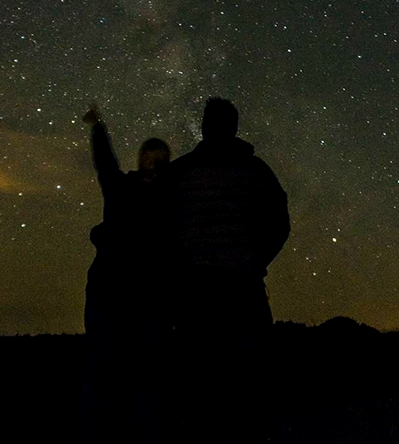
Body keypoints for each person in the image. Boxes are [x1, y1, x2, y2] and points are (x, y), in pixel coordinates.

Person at [169, 97, 289, 442]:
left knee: (199, 375)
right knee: (250, 375)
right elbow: (279, 223)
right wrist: (255, 259)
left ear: (205, 126)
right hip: (242, 284)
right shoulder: (257, 170)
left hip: (198, 287)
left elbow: (162, 224)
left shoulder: (181, 171)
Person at [79, 104, 172, 442]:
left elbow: (105, 164)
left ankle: (96, 433)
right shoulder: (169, 200)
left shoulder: (121, 189)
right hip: (145, 298)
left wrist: (98, 127)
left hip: (109, 290)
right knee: (145, 375)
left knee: (101, 371)